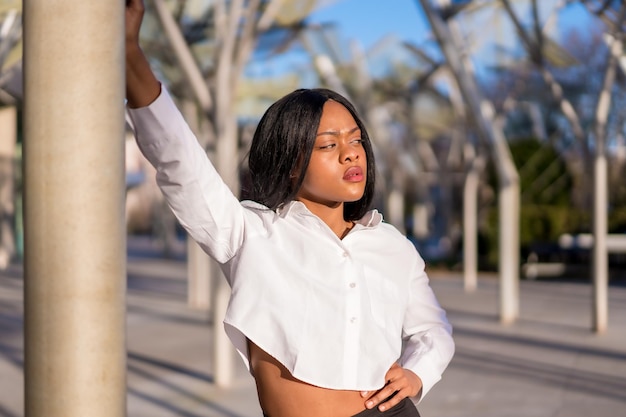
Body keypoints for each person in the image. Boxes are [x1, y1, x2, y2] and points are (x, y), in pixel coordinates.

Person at [125, 1, 454, 416]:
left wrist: (417, 372)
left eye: (355, 141)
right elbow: (180, 163)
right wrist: (130, 55)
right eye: (329, 145)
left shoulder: (393, 246)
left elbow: (433, 328)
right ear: (291, 160)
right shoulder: (253, 234)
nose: (351, 155)